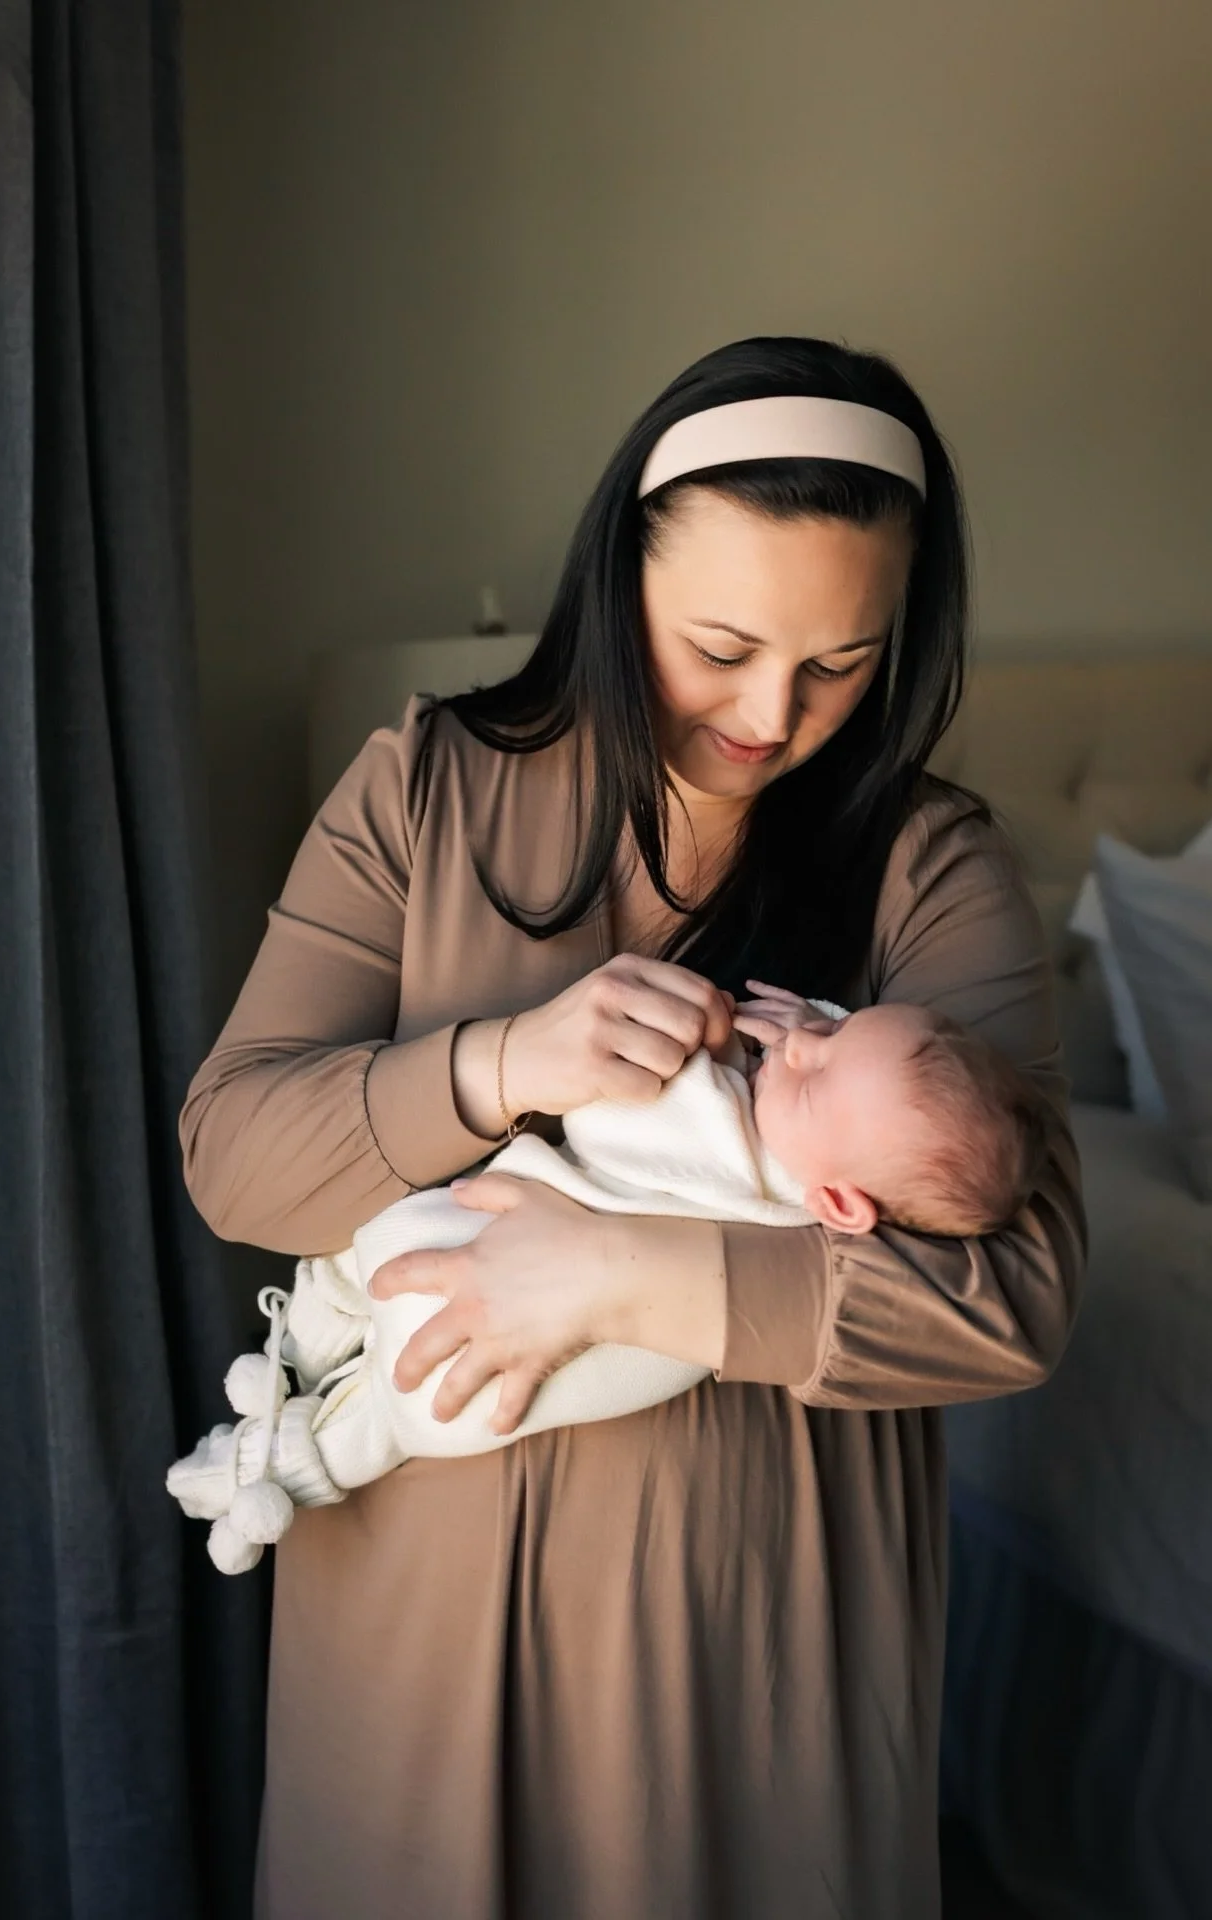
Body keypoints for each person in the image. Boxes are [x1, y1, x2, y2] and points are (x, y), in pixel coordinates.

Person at [179, 335, 1085, 1919]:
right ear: (622, 577)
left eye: (841, 663)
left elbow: (1016, 1297)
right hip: (423, 1629)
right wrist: (495, 1063)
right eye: (721, 642)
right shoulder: (423, 791)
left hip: (760, 1643)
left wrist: (622, 1278)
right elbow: (237, 1156)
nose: (773, 712)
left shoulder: (926, 868)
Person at [170, 989, 1051, 1572]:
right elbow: (869, 1079)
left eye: (813, 1074)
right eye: (826, 1032)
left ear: (839, 1203)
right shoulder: (827, 1177)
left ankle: (306, 1349)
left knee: (385, 1261)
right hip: (487, 1379)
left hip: (511, 1328)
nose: (792, 1051)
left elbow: (613, 1116)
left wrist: (725, 1052)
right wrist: (820, 1034)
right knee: (382, 1419)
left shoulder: (736, 1162)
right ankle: (283, 1456)